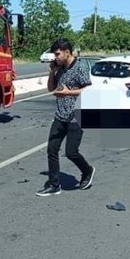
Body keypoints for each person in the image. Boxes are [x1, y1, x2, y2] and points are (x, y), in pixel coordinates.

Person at [36, 39, 95, 197]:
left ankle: (87, 170)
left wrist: (68, 92)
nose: (55, 57)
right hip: (60, 115)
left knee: (71, 152)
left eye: (57, 54)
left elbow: (88, 90)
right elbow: (51, 89)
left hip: (76, 116)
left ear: (67, 52)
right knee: (52, 150)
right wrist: (51, 72)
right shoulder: (60, 68)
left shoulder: (80, 67)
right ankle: (54, 184)